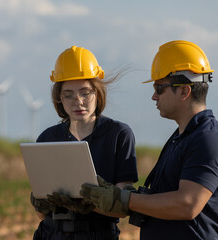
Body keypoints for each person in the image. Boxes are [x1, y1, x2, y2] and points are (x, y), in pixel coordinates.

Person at [80, 40, 218, 240]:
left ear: (183, 91)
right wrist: (113, 197)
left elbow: (187, 204)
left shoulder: (209, 139)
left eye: (159, 88)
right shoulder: (182, 137)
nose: (154, 96)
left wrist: (124, 199)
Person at [31, 45, 138, 240]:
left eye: (85, 92)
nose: (78, 101)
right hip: (50, 234)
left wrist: (90, 204)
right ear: (59, 99)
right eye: (68, 95)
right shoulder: (47, 138)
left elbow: (123, 209)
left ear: (97, 92)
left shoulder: (118, 135)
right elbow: (41, 214)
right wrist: (40, 203)